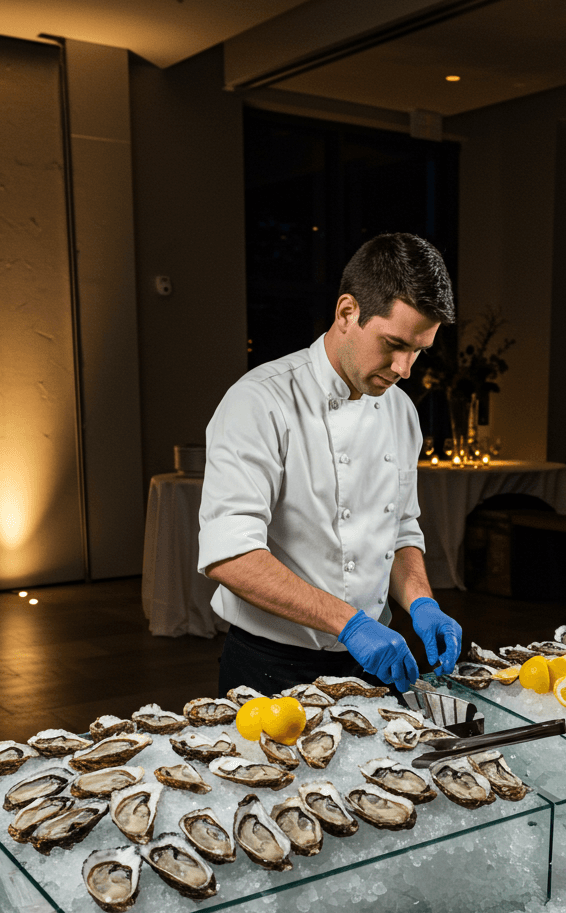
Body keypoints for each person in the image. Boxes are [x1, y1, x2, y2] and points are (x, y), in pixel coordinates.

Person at [198, 232, 463, 698]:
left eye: (418, 351)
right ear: (347, 313)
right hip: (271, 669)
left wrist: (422, 602)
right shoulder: (260, 401)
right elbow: (230, 556)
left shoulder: (400, 411)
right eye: (394, 344)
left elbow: (400, 529)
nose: (405, 368)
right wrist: (351, 624)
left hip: (370, 669)